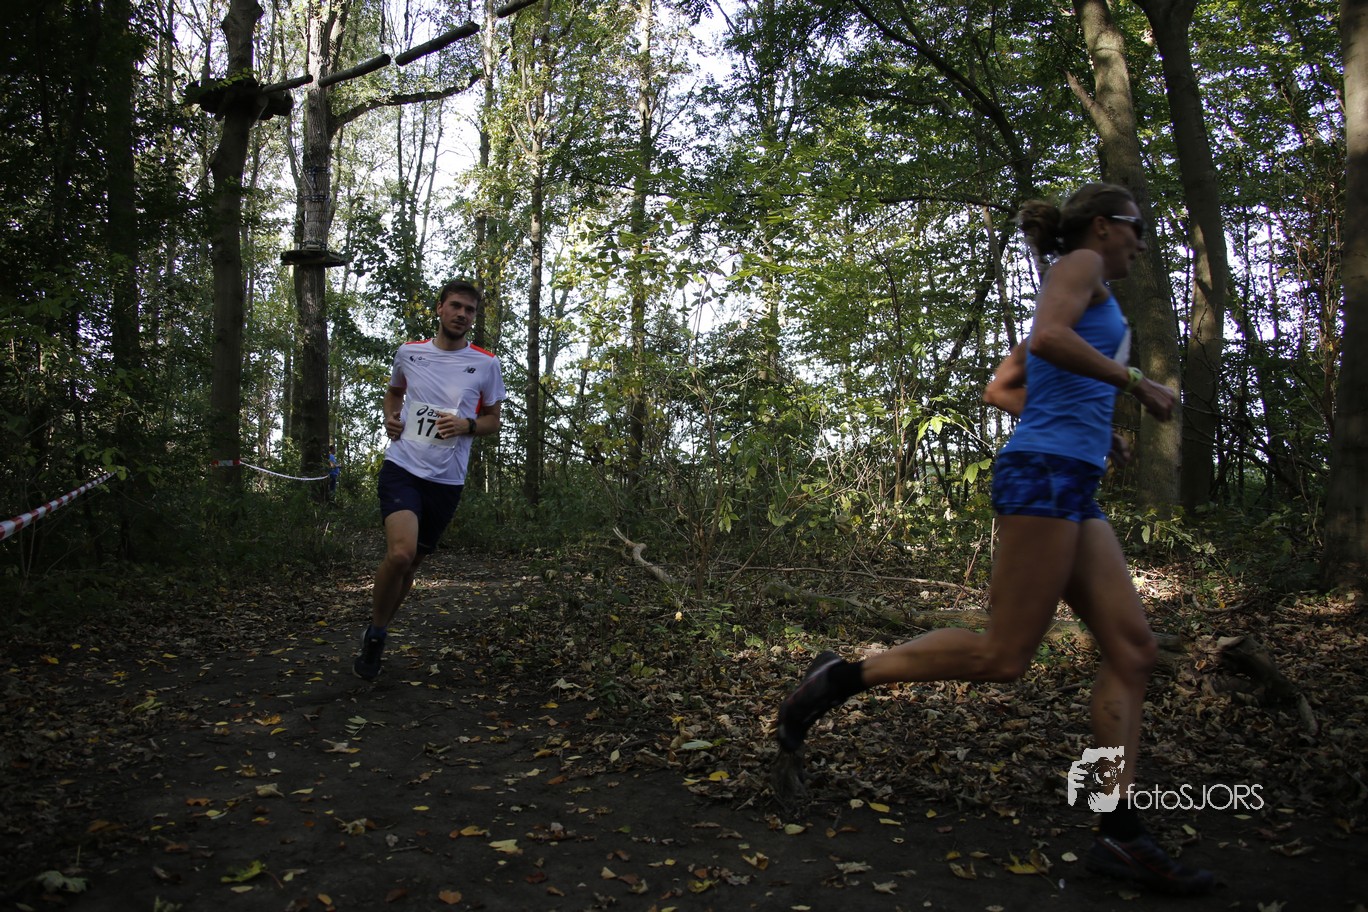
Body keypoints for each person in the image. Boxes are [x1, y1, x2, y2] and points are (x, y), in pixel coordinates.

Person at [773, 183, 1214, 895]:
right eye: (1136, 227)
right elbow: (1046, 340)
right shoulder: (1079, 266)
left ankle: (1119, 832)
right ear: (1103, 227)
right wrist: (1135, 383)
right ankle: (839, 679)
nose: (1142, 240)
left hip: (1070, 480)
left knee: (1133, 650)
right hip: (1042, 477)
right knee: (1003, 656)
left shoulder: (1090, 293)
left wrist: (1094, 425)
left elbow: (1004, 386)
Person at [353, 280, 506, 681]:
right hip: (403, 466)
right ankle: (377, 632)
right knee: (401, 554)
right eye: (455, 306)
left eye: (470, 310)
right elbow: (394, 393)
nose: (462, 315)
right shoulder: (410, 352)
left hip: (447, 480)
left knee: (413, 563)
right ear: (439, 308)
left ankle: (378, 628)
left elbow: (493, 421)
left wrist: (467, 425)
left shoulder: (486, 364)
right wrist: (390, 418)